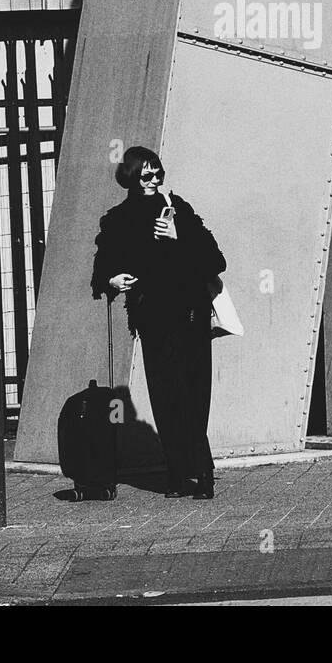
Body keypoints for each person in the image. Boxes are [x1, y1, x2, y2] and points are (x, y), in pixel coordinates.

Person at [90, 146, 226, 499]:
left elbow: (215, 259)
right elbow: (103, 267)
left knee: (194, 394)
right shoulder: (119, 220)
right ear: (130, 179)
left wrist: (178, 237)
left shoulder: (178, 208)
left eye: (157, 174)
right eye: (145, 175)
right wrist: (113, 281)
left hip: (190, 316)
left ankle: (203, 471)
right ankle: (178, 472)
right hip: (153, 319)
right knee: (167, 396)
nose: (153, 181)